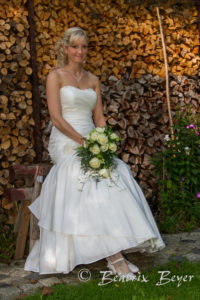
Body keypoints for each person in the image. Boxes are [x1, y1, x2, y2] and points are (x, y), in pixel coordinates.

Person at [24, 27, 165, 279]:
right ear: (65, 49)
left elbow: (99, 118)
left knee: (116, 170)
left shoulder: (92, 79)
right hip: (66, 140)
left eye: (84, 47)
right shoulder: (55, 76)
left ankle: (114, 248)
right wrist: (84, 142)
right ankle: (115, 258)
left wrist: (104, 141)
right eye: (75, 46)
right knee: (83, 172)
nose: (80, 51)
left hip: (92, 139)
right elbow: (56, 119)